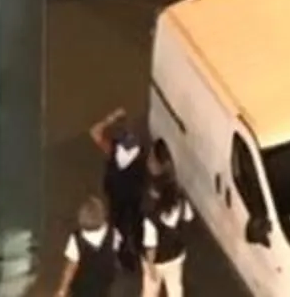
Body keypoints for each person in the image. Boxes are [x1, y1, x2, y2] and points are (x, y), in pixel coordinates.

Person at [140, 140, 195, 295]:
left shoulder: (151, 214)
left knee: (150, 291)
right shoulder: (181, 201)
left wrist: (150, 266)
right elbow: (188, 219)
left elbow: (151, 244)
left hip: (158, 261)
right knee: (175, 288)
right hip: (176, 255)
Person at [91, 111, 149, 246]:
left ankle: (118, 242)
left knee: (116, 218)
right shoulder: (142, 155)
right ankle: (137, 243)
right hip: (134, 195)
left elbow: (95, 132)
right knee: (135, 219)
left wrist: (110, 118)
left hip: (115, 194)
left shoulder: (113, 149)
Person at [54, 191, 124, 297]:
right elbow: (115, 249)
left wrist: (62, 289)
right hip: (104, 283)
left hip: (82, 286)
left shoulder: (76, 238)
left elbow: (71, 266)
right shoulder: (113, 233)